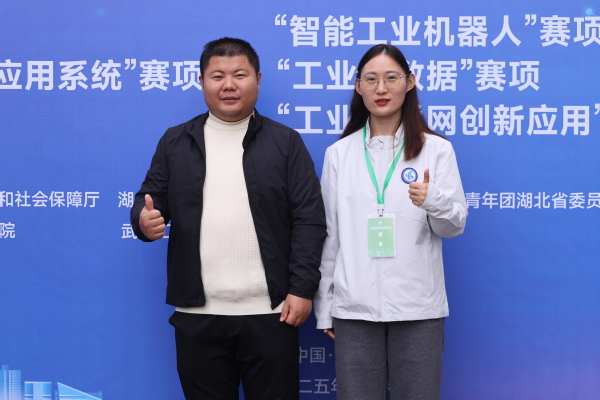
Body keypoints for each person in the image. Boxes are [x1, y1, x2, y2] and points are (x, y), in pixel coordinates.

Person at [130, 37, 327, 400]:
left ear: (258, 79)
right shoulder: (175, 142)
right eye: (218, 76)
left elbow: (309, 219)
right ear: (202, 81)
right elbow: (149, 199)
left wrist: (301, 289)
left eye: (240, 74)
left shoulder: (285, 142)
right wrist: (144, 222)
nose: (229, 85)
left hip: (272, 312)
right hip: (197, 315)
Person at [313, 44, 468, 400]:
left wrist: (432, 200)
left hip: (418, 309)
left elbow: (454, 225)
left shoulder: (436, 150)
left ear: (409, 82)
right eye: (371, 79)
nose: (381, 88)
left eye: (391, 78)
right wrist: (326, 308)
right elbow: (330, 238)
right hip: (354, 309)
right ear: (358, 86)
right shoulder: (339, 155)